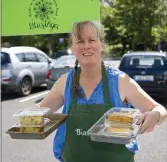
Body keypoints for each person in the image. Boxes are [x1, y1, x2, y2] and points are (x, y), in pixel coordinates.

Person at [37, 21, 167, 162]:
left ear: (102, 45)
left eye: (92, 40)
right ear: (72, 48)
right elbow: (39, 112)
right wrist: (28, 117)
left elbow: (159, 109)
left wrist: (156, 115)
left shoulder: (120, 81)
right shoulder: (65, 82)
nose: (86, 46)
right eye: (80, 41)